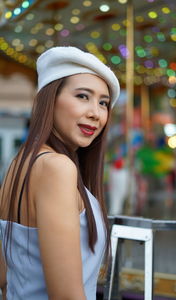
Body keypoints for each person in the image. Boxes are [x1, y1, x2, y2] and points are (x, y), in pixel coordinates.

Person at [0, 46, 120, 300]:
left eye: (103, 103)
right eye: (82, 96)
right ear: (50, 99)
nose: (95, 113)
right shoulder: (57, 167)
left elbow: (4, 276)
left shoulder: (19, 164)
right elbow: (66, 295)